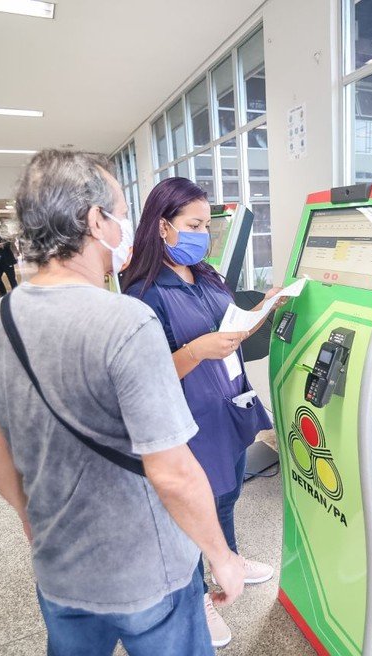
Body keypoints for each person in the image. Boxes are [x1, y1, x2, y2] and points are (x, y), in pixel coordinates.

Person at [0, 150, 242, 656]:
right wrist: (221, 555)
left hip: (59, 566)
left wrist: (31, 518)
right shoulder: (126, 321)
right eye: (118, 213)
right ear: (95, 221)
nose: (124, 230)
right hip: (147, 570)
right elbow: (172, 471)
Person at [122, 177, 280, 648]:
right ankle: (197, 598)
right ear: (163, 226)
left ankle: (226, 560)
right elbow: (147, 373)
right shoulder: (143, 293)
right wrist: (197, 350)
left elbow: (225, 328)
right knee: (193, 510)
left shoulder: (207, 275)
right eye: (193, 224)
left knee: (228, 494)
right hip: (188, 419)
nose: (202, 234)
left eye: (207, 225)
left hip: (228, 404)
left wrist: (261, 312)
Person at [0, 224, 18, 296]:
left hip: (7, 261)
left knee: (11, 278)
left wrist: (4, 245)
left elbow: (10, 242)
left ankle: (16, 294)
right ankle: (3, 292)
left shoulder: (5, 235)